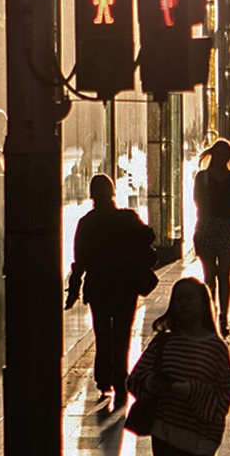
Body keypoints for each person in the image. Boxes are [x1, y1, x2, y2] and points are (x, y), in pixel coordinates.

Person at [66, 174, 157, 406]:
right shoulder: (127, 217)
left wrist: (73, 291)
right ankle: (120, 379)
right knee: (122, 333)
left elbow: (80, 260)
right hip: (125, 285)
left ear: (92, 195)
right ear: (113, 192)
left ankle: (103, 380)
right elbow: (149, 236)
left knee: (103, 333)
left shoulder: (86, 223)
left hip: (99, 286)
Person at [127, 277, 230, 455]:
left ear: (203, 304)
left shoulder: (216, 348)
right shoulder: (164, 341)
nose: (183, 304)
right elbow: (135, 378)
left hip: (198, 441)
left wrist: (191, 390)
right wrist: (152, 383)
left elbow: (223, 395)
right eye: (178, 299)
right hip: (164, 437)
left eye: (190, 298)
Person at [193, 139, 230, 338]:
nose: (221, 158)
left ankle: (224, 316)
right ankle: (210, 314)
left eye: (225, 154)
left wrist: (216, 201)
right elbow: (199, 201)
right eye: (218, 154)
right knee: (209, 276)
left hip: (226, 229)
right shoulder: (203, 177)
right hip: (207, 228)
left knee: (224, 274)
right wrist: (224, 201)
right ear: (212, 155)